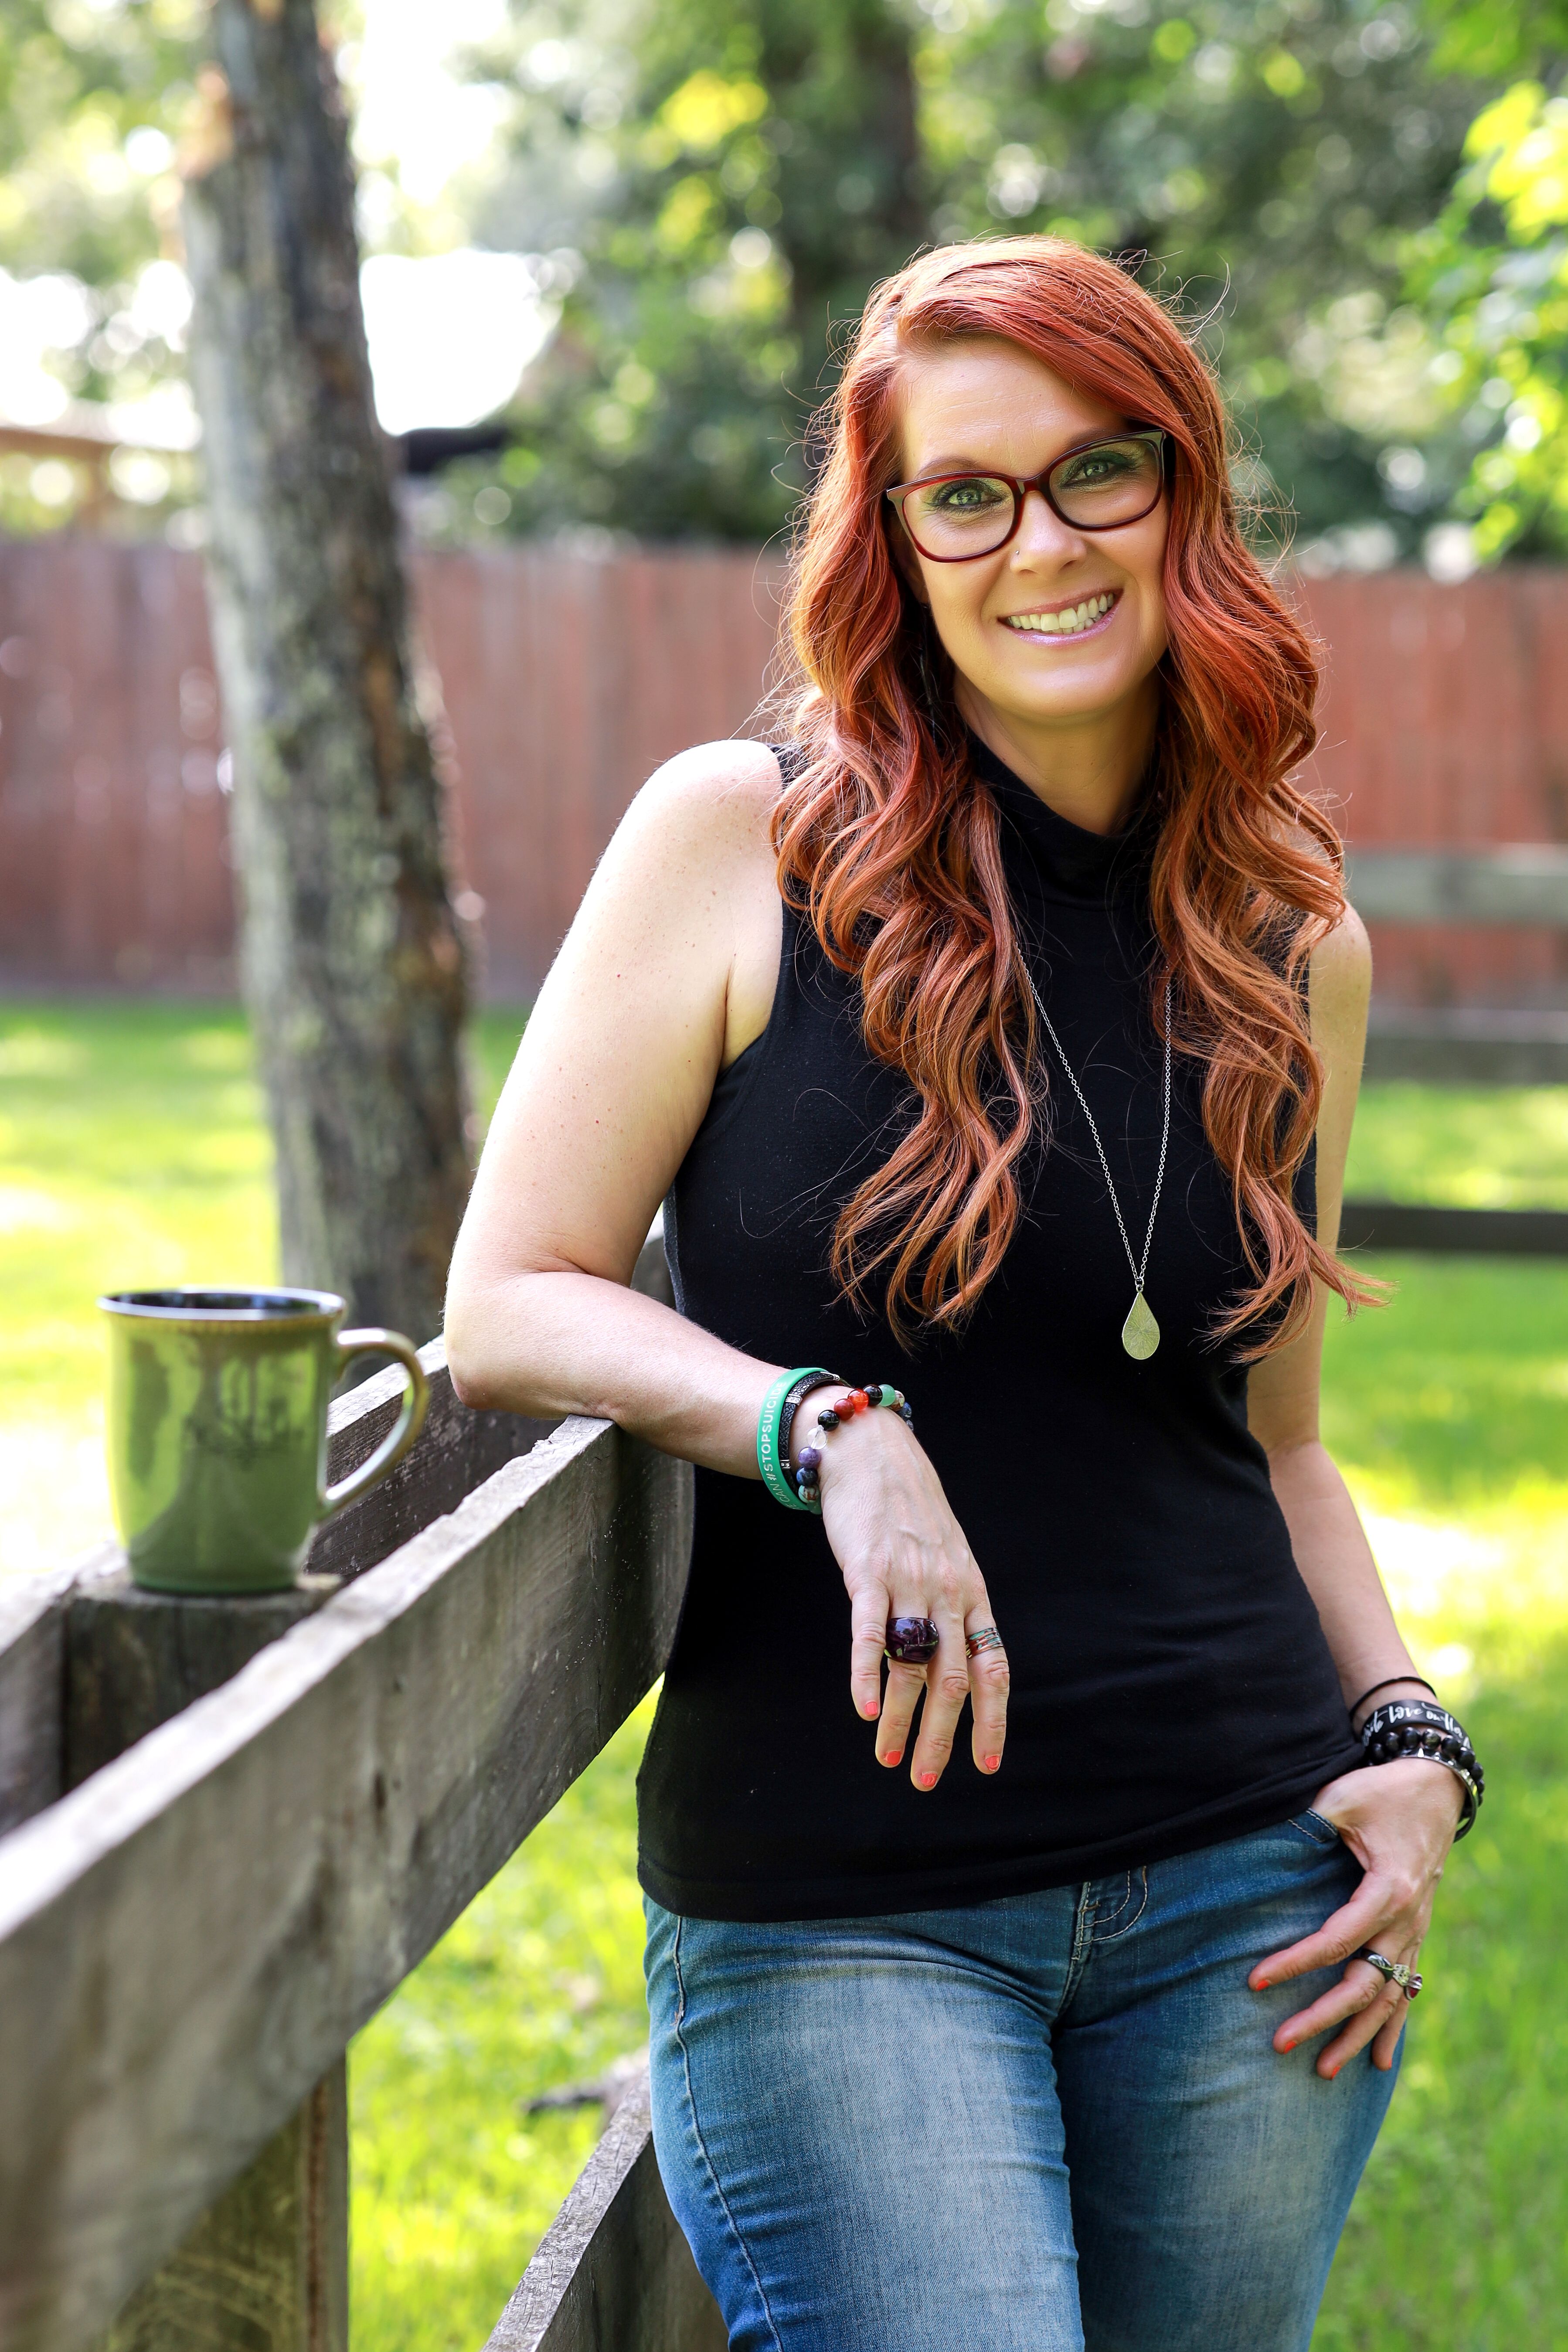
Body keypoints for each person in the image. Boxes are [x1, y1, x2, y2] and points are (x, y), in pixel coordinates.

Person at [444, 237, 1483, 2352]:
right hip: (849, 1907)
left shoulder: (1295, 942)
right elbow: (511, 1293)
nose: (1040, 543)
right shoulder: (743, 842)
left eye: (1095, 471)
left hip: (1249, 1892)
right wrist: (826, 1426)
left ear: (1182, 489)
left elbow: (1273, 1444)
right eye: (966, 493)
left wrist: (1412, 1740)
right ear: (894, 534)